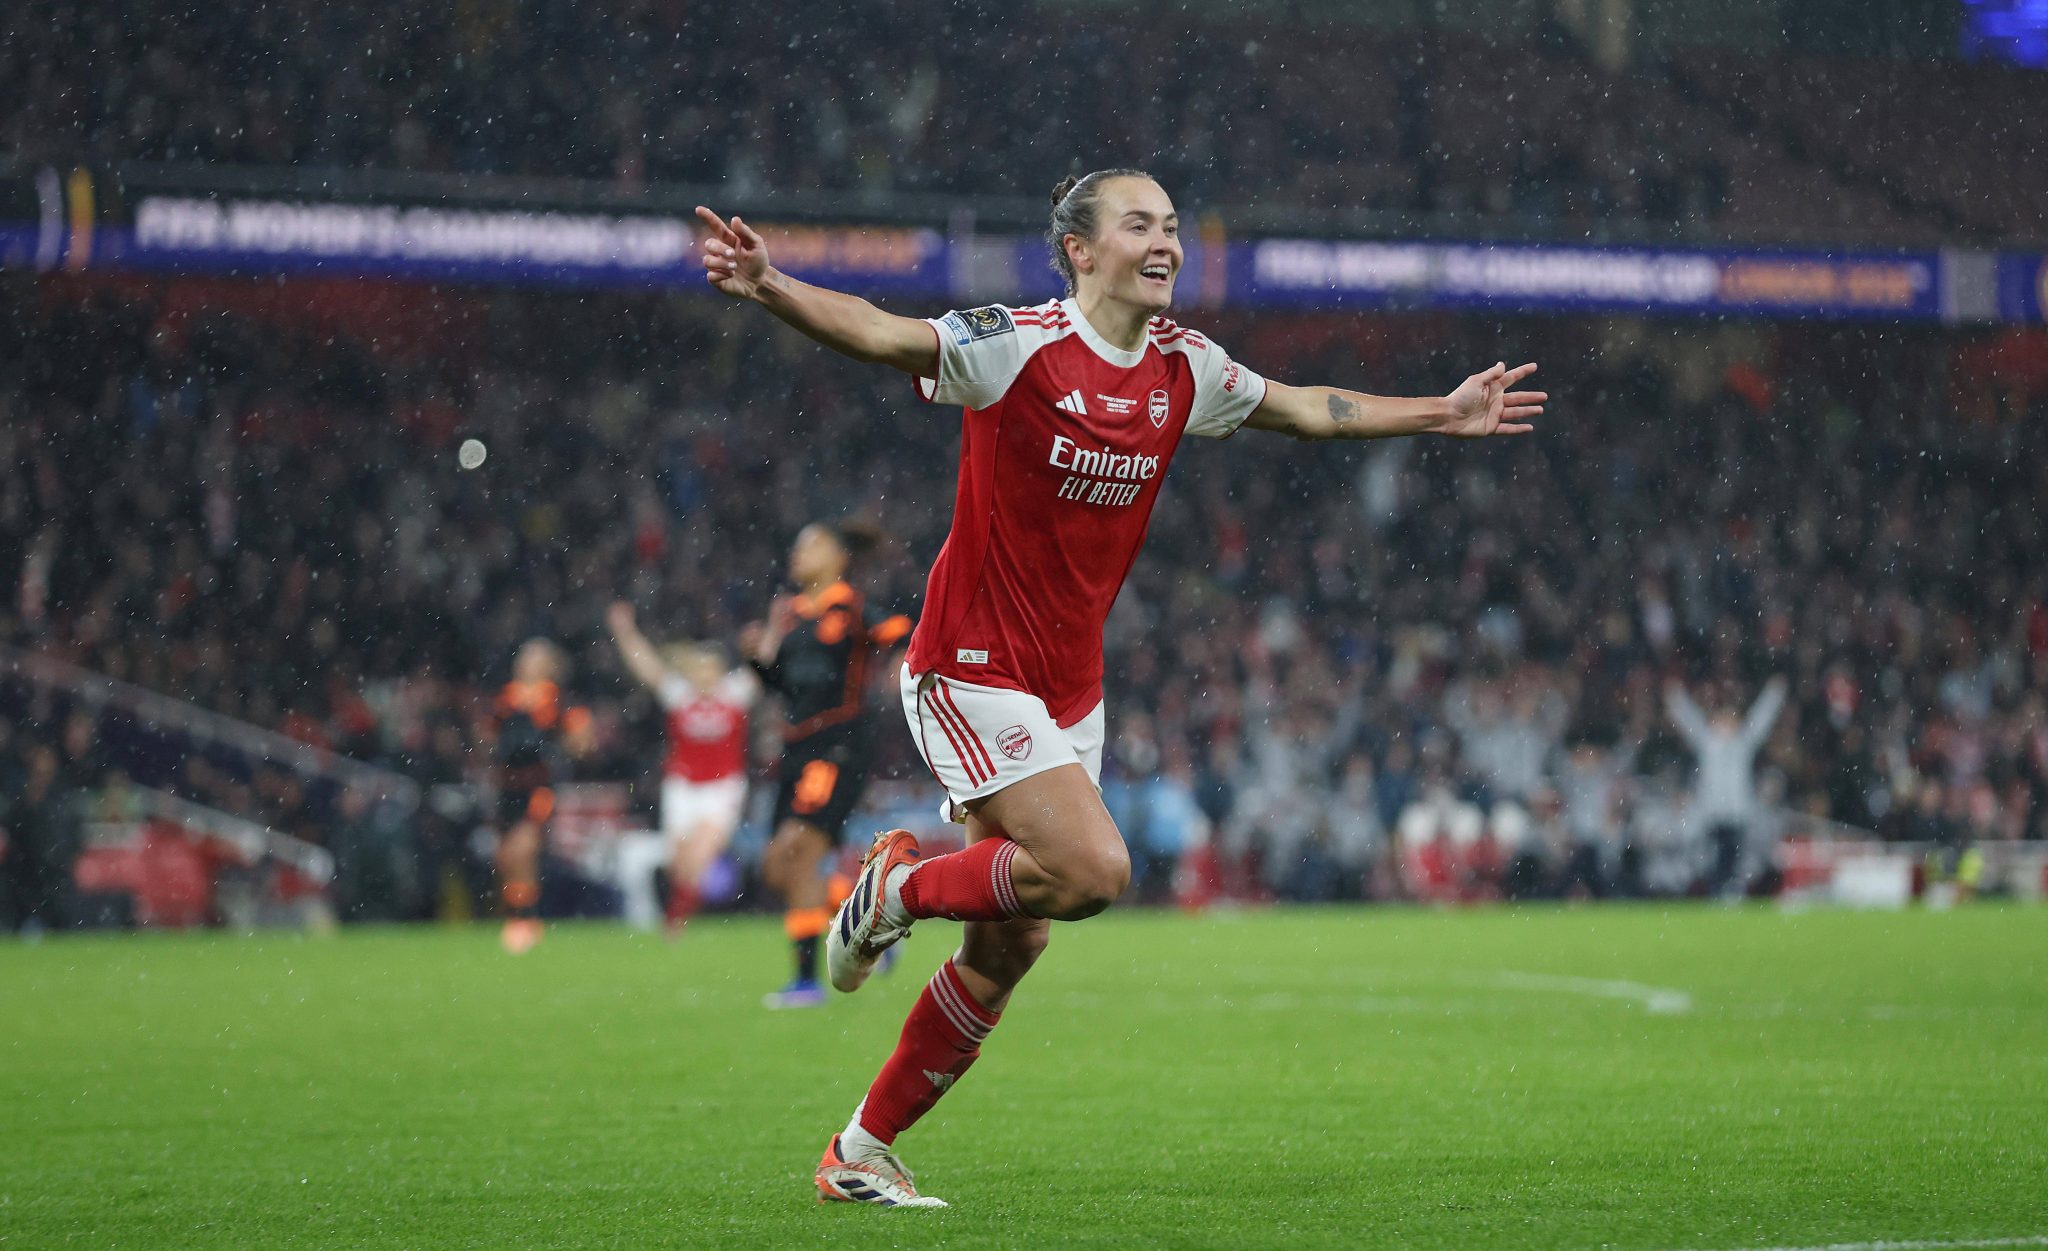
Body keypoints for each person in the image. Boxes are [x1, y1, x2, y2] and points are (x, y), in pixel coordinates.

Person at [695, 167, 1543, 1207]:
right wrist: (773, 286)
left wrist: (1439, 414)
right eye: (1139, 224)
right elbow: (883, 333)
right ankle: (896, 888)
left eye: (1174, 226)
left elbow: (1311, 410)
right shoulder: (1019, 345)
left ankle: (857, 1152)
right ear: (1078, 250)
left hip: (1067, 693)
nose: (1166, 243)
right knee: (1094, 869)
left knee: (1012, 945)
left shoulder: (1185, 369)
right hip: (969, 668)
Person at [744, 521, 912, 1008]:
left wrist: (904, 657)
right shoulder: (791, 615)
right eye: (796, 546)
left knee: (797, 854)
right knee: (776, 868)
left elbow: (902, 631)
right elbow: (783, 685)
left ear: (838, 557)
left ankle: (805, 981)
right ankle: (866, 914)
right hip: (794, 752)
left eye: (810, 545)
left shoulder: (852, 605)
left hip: (838, 746)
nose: (799, 554)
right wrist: (759, 661)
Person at [607, 602, 759, 936]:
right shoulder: (680, 696)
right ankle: (679, 916)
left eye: (710, 668)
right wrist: (625, 632)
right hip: (683, 784)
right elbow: (646, 668)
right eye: (699, 668)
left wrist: (773, 629)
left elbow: (763, 666)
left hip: (723, 786)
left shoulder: (733, 694)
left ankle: (674, 922)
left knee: (701, 854)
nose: (705, 675)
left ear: (719, 670)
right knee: (679, 862)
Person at [490, 638, 593, 954]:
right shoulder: (506, 698)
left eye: (534, 659)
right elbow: (492, 735)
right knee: (506, 856)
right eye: (524, 657)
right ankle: (518, 914)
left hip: (537, 787)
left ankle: (525, 920)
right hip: (507, 787)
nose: (526, 663)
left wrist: (571, 741)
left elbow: (579, 735)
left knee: (523, 848)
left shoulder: (555, 699)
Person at [1663, 674, 1787, 896]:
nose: (1727, 725)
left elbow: (1761, 719)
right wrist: (1675, 696)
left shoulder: (1743, 744)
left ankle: (1729, 891)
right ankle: (1714, 890)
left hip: (1737, 814)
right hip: (1711, 814)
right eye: (1723, 720)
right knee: (1711, 858)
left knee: (1734, 858)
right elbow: (1689, 719)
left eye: (1731, 720)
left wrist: (1774, 694)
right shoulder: (1707, 742)